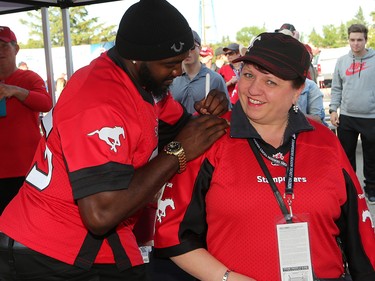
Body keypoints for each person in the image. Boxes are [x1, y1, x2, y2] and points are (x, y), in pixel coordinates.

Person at [0, 1, 229, 280]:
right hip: (47, 251)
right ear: (137, 58)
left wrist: (208, 113)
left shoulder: (143, 83)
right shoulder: (98, 100)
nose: (177, 72)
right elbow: (100, 215)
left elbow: (185, 129)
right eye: (169, 64)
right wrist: (177, 152)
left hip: (96, 243)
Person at [154, 32, 375, 281]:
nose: (253, 89)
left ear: (297, 91)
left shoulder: (325, 143)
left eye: (270, 82)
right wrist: (227, 278)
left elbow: (361, 241)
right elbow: (171, 232)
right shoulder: (210, 138)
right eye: (248, 75)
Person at [0, 26, 52, 214]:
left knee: (27, 226)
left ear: (16, 49)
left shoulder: (29, 78)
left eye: (4, 46)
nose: (0, 51)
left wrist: (15, 90)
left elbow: (46, 103)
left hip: (27, 168)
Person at [329, 23, 375, 204]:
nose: (356, 44)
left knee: (371, 157)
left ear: (366, 40)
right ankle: (350, 190)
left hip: (371, 117)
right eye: (352, 40)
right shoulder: (342, 61)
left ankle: (371, 189)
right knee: (346, 156)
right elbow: (336, 87)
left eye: (359, 40)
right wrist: (333, 109)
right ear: (348, 40)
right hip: (347, 116)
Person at [170, 31, 229, 114]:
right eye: (183, 47)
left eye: (192, 47)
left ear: (200, 49)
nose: (187, 51)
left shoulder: (215, 79)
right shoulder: (171, 79)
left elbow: (227, 110)